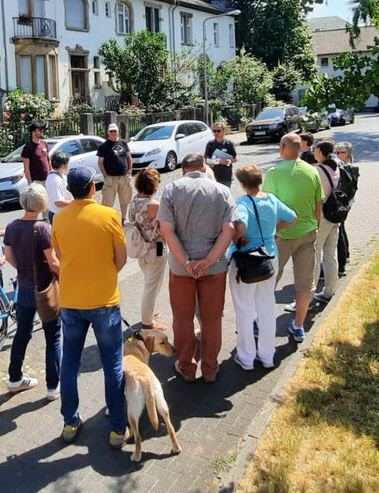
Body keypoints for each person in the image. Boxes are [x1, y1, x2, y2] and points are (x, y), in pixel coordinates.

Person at [50, 166, 128, 447]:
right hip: (105, 300)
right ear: (93, 187)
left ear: (69, 190)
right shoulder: (109, 215)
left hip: (71, 301)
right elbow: (121, 258)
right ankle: (118, 429)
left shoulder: (59, 219)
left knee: (70, 363)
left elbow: (61, 255)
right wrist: (105, 274)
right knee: (113, 365)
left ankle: (70, 422)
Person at [158, 153, 238, 383]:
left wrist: (185, 261)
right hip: (213, 269)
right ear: (204, 168)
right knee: (212, 318)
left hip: (182, 269)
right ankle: (210, 369)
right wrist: (209, 260)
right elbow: (229, 230)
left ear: (183, 169)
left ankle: (186, 367)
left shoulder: (171, 189)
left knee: (182, 318)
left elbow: (167, 231)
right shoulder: (221, 191)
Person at [228, 164, 296, 370]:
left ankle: (247, 357)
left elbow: (241, 225)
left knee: (244, 308)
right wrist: (274, 231)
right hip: (269, 255)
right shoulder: (272, 199)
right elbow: (292, 217)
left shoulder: (243, 203)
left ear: (242, 183)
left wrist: (239, 239)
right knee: (266, 306)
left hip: (246, 260)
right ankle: (267, 355)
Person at [2, 184, 62, 398]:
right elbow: (53, 261)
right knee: (53, 336)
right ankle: (53, 386)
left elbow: (9, 257)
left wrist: (23, 269)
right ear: (42, 203)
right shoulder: (42, 228)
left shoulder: (11, 226)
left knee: (22, 333)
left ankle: (14, 377)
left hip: (24, 287)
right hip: (45, 288)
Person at [264, 133, 323, 343]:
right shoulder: (312, 171)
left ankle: (262, 324)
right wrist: (315, 227)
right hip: (308, 233)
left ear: (282, 147)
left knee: (269, 282)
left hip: (282, 235)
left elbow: (267, 206)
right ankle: (298, 326)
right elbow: (319, 206)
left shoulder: (274, 172)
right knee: (305, 284)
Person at [126, 167, 167, 330]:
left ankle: (149, 311)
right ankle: (147, 323)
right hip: (155, 248)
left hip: (140, 247)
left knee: (150, 282)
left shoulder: (134, 200)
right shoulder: (154, 205)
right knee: (152, 285)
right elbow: (165, 228)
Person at [311, 141, 343, 304]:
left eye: (314, 149)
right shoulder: (335, 166)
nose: (313, 151)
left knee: (314, 256)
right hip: (334, 215)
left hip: (322, 216)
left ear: (320, 151)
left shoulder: (318, 170)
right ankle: (329, 291)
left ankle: (308, 297)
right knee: (330, 254)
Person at [98, 122, 133, 218]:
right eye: (111, 131)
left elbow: (129, 158)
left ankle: (123, 218)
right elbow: (100, 162)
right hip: (111, 178)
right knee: (107, 201)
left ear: (118, 131)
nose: (113, 133)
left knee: (125, 200)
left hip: (123, 176)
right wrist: (105, 175)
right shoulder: (103, 146)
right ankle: (107, 219)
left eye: (115, 131)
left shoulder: (123, 143)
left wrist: (129, 172)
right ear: (108, 132)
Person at [334, 142, 357, 277]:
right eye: (335, 152)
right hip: (345, 202)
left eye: (340, 152)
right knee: (342, 228)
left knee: (340, 230)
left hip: (342, 203)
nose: (337, 155)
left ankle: (341, 264)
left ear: (348, 154)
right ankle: (346, 255)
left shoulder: (345, 168)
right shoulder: (343, 166)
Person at [205, 122, 238, 188]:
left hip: (226, 177)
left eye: (218, 131)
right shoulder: (210, 144)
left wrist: (228, 161)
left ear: (224, 131)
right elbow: (206, 159)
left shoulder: (229, 143)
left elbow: (235, 158)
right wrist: (211, 162)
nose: (216, 133)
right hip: (213, 176)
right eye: (214, 131)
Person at [21, 121, 51, 190]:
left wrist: (51, 175)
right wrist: (30, 183)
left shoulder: (44, 144)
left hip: (48, 179)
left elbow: (49, 161)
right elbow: (26, 167)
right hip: (36, 182)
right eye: (40, 130)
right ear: (33, 132)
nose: (42, 131)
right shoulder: (28, 147)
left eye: (42, 129)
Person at [45, 151, 72, 223]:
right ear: (63, 165)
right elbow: (58, 202)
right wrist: (75, 202)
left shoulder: (60, 175)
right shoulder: (55, 180)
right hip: (58, 215)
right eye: (67, 164)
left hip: (61, 213)